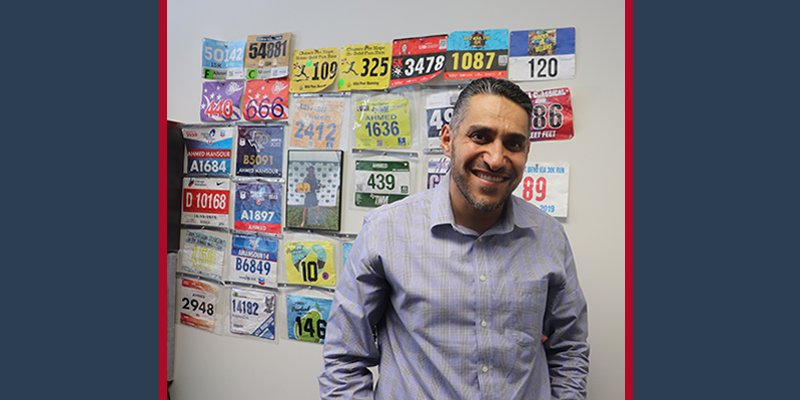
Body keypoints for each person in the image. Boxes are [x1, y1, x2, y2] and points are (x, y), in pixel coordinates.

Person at [319, 78, 589, 399]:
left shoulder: (549, 237)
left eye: (513, 144)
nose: (495, 158)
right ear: (447, 139)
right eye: (480, 136)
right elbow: (344, 358)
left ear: (526, 152)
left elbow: (570, 349)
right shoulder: (385, 231)